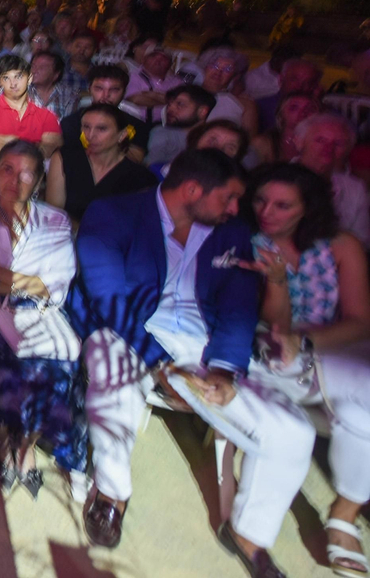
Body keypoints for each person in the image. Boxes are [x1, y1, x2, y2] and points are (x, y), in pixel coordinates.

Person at [68, 149, 313, 576]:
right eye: (230, 198)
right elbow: (109, 299)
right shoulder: (113, 213)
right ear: (193, 190)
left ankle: (248, 531)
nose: (239, 210)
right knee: (112, 376)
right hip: (128, 329)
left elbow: (237, 305)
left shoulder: (230, 232)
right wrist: (161, 365)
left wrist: (223, 368)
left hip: (201, 341)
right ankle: (111, 493)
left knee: (294, 432)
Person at [243, 164, 370, 577]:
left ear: (306, 208)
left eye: (283, 205)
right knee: (282, 359)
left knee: (363, 414)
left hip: (331, 345)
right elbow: (272, 322)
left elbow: (359, 320)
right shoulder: (248, 242)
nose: (268, 211)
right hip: (272, 347)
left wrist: (309, 343)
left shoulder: (339, 245)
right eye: (261, 200)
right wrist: (277, 282)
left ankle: (343, 516)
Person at [0, 141, 83, 496]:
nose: (15, 180)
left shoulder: (55, 221)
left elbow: (57, 288)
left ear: (39, 181)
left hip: (40, 312)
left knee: (64, 352)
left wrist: (0, 271)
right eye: (7, 169)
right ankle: (1, 440)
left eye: (26, 173)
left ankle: (25, 446)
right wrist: (30, 282)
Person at [47, 104, 157, 223]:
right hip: (66, 235)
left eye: (101, 129)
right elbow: (54, 212)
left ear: (122, 135)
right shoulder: (64, 158)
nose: (90, 135)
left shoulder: (140, 177)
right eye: (86, 127)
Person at [295, 113, 370, 248]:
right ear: (299, 142)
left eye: (338, 143)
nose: (328, 148)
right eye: (320, 140)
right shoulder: (275, 180)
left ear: (348, 150)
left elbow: (361, 243)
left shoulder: (355, 188)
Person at [0, 54, 61, 158]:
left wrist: (13, 141)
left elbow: (51, 151)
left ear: (29, 78)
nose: (13, 83)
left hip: (33, 171)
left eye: (18, 76)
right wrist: (35, 144)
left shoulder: (46, 115)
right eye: (6, 78)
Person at [59, 65, 148, 161]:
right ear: (90, 89)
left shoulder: (135, 125)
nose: (106, 95)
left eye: (114, 90)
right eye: (99, 89)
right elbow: (69, 159)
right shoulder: (71, 122)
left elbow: (136, 160)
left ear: (124, 92)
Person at [145, 84, 216, 168]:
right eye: (169, 104)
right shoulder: (163, 133)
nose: (170, 109)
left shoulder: (210, 144)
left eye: (180, 104)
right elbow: (149, 169)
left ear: (202, 111)